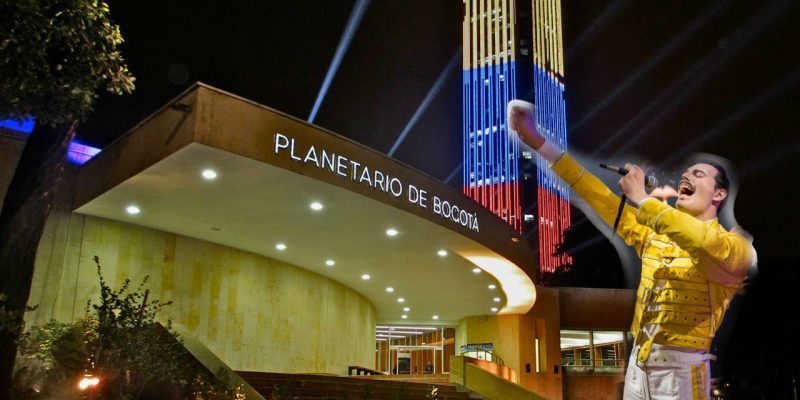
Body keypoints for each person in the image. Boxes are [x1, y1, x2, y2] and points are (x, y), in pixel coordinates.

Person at [507, 99, 756, 400]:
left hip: (681, 376)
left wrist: (642, 199)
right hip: (639, 365)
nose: (685, 177)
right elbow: (596, 195)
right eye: (686, 174)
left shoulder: (735, 247)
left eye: (698, 175)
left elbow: (702, 243)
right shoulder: (653, 233)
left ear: (720, 194)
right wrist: (540, 144)